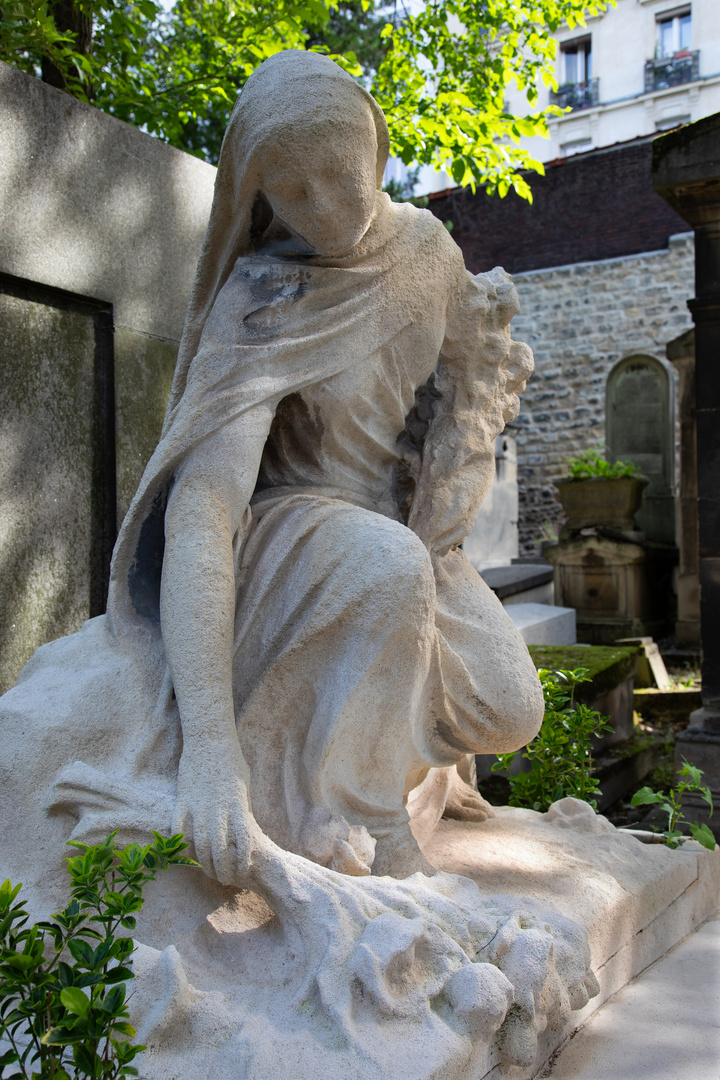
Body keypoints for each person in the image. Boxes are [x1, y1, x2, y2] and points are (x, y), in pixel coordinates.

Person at [0, 50, 543, 888]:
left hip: (403, 534)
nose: (327, 207)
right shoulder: (260, 296)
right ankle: (362, 818)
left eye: (341, 171)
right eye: (293, 188)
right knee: (387, 564)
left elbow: (473, 368)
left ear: (377, 146)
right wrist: (211, 748)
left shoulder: (429, 253)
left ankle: (387, 749)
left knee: (508, 708)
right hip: (291, 531)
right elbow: (205, 508)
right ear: (257, 194)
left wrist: (464, 444)